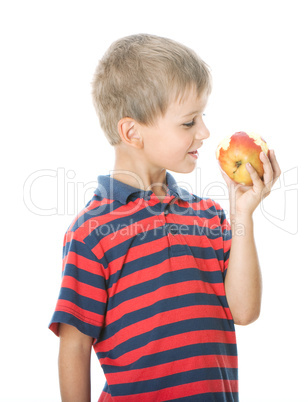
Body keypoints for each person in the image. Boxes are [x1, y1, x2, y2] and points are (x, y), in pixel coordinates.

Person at [49, 33, 281, 402]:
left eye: (203, 117)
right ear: (132, 132)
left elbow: (245, 311)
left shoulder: (209, 215)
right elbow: (74, 347)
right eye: (189, 123)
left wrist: (243, 214)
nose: (205, 132)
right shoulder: (92, 232)